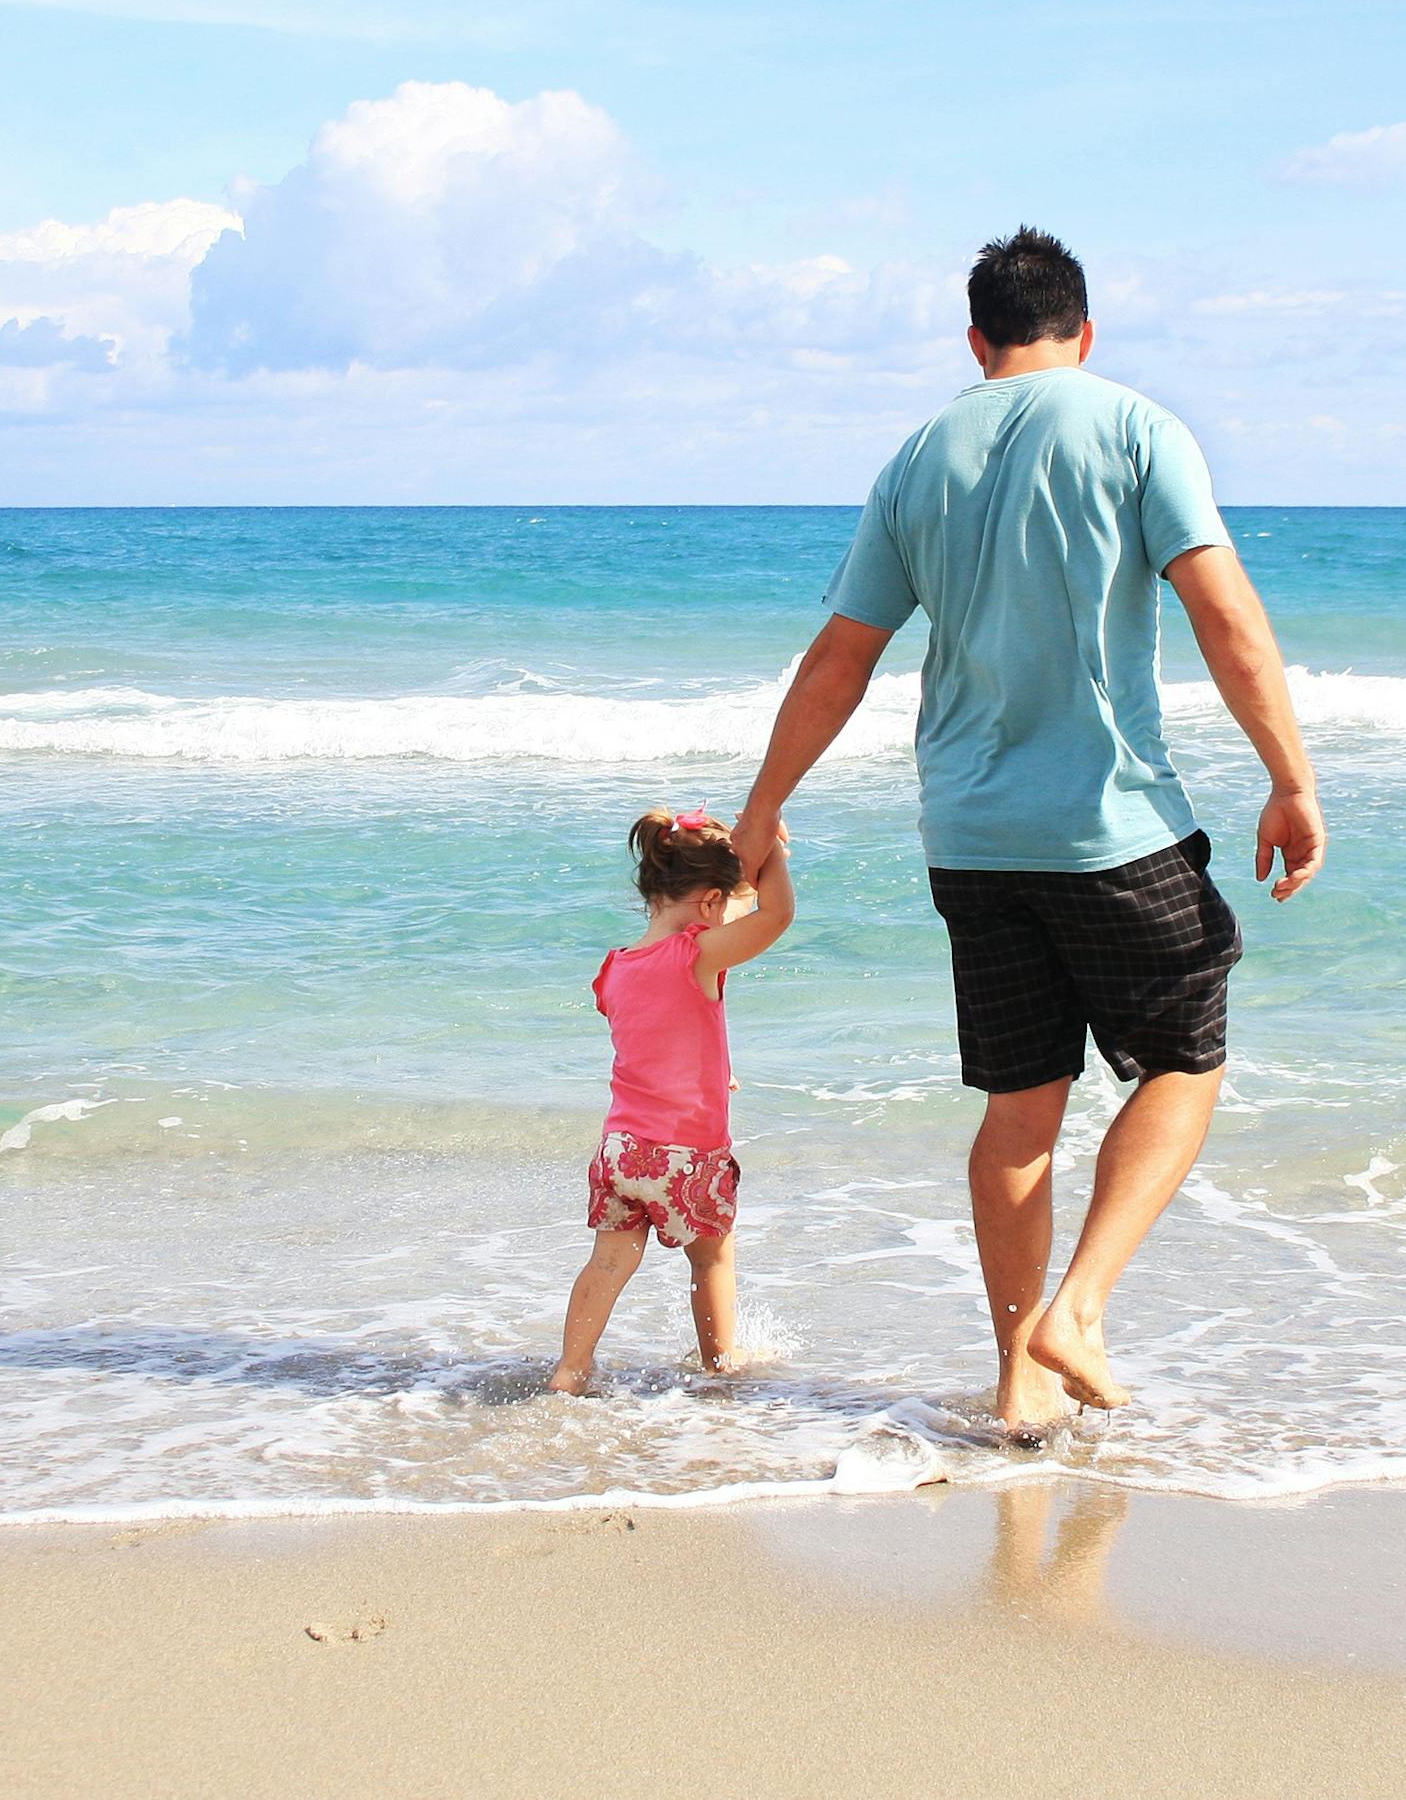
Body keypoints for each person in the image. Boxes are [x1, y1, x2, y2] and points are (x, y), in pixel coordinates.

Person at [729, 226, 1323, 1433]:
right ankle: (1079, 1311)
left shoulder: (916, 457)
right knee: (1185, 1059)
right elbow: (1223, 613)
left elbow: (844, 655)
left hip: (969, 834)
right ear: (1083, 331)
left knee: (1018, 1108)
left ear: (975, 339)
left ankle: (1017, 1381)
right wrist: (1290, 777)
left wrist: (763, 804)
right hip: (1106, 825)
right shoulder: (1134, 427)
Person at [548, 807, 795, 1395]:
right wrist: (775, 853)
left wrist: (716, 1070)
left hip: (621, 1153)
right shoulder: (697, 956)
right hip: (687, 1155)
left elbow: (659, 1036)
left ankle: (570, 1371)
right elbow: (776, 914)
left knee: (608, 1263)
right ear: (710, 904)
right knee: (710, 1261)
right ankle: (720, 1365)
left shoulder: (614, 970)